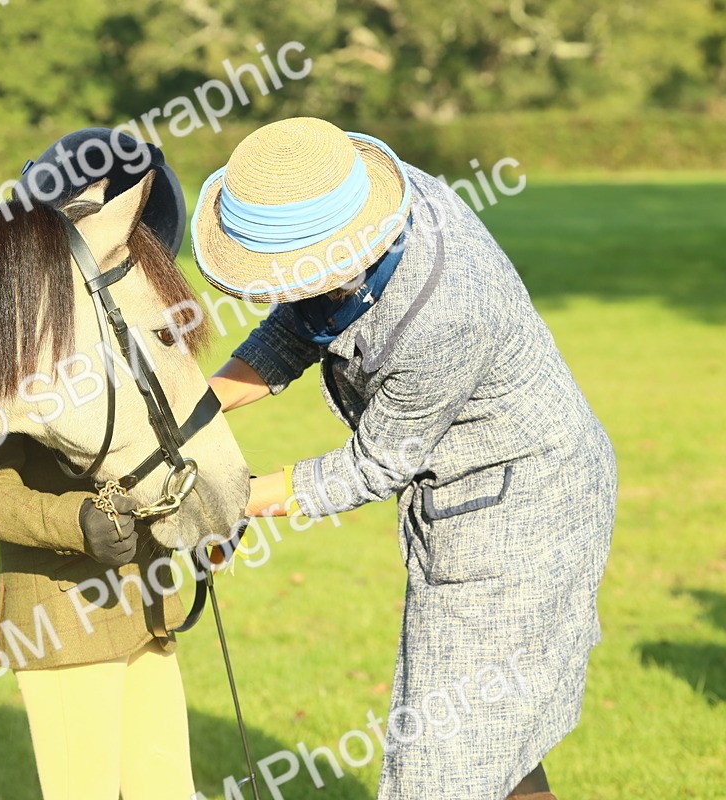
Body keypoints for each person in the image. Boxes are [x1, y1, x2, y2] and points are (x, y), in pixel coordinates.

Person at [194, 117, 616, 800]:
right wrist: (194, 412)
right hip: (478, 499)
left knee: (443, 763)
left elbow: (376, 465)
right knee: (489, 745)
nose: (274, 288)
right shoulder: (359, 203)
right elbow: (303, 318)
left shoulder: (446, 311)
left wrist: (231, 495)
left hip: (523, 516)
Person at [0, 128, 196, 800]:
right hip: (60, 619)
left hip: (147, 604)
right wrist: (79, 521)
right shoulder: (3, 345)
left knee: (168, 789)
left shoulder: (131, 336)